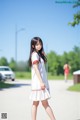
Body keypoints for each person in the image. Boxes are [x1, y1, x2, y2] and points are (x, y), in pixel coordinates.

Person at [29, 37, 56, 120]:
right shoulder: (34, 55)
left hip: (40, 82)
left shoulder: (38, 54)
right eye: (37, 44)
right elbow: (36, 69)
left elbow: (41, 68)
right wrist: (41, 82)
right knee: (43, 103)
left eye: (40, 44)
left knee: (36, 103)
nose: (39, 46)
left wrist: (43, 56)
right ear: (33, 46)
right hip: (38, 83)